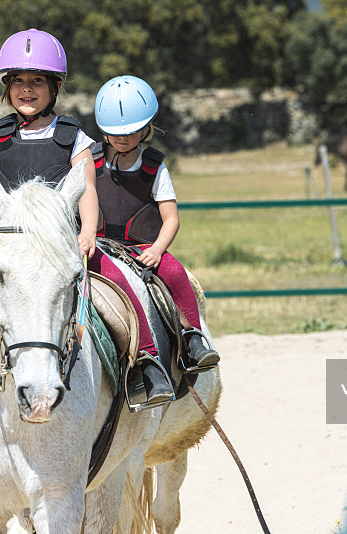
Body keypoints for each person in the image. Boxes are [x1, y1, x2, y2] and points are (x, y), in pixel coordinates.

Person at [0, 30, 172, 412]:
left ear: (55, 86)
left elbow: (88, 190)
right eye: (18, 81)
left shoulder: (73, 138)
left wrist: (89, 232)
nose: (27, 89)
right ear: (7, 87)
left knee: (120, 282)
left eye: (37, 81)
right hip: (6, 243)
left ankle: (146, 362)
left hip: (59, 243)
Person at [91, 75, 220, 375]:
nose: (123, 138)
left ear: (146, 128)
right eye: (115, 133)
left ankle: (193, 338)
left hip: (141, 246)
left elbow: (171, 219)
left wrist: (159, 250)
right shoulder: (90, 160)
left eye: (133, 131)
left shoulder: (154, 167)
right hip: (97, 246)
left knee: (175, 272)